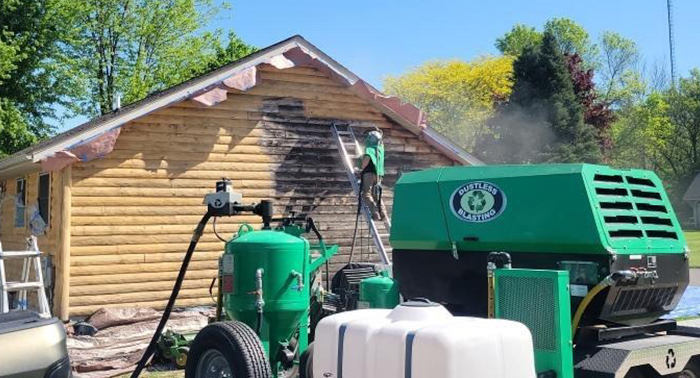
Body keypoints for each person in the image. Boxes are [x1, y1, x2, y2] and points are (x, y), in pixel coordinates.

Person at [359, 128, 391, 229]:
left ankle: (375, 213)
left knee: (366, 193)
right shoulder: (381, 149)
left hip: (369, 174)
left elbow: (366, 160)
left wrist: (361, 168)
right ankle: (384, 215)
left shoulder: (369, 148)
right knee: (376, 195)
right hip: (378, 175)